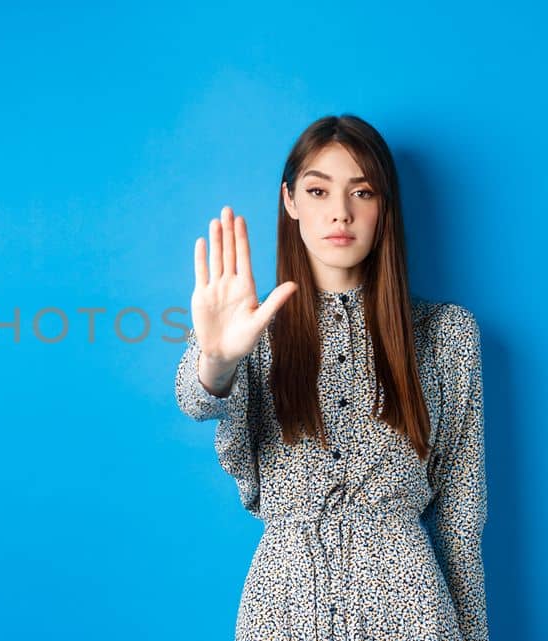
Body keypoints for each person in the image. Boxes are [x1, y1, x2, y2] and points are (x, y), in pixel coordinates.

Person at [174, 114, 487, 641]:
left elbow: (461, 520)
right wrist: (218, 359)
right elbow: (196, 398)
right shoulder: (249, 326)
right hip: (284, 607)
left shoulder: (445, 334)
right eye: (318, 191)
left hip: (412, 612)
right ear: (290, 201)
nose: (340, 213)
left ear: (384, 207)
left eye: (362, 193)